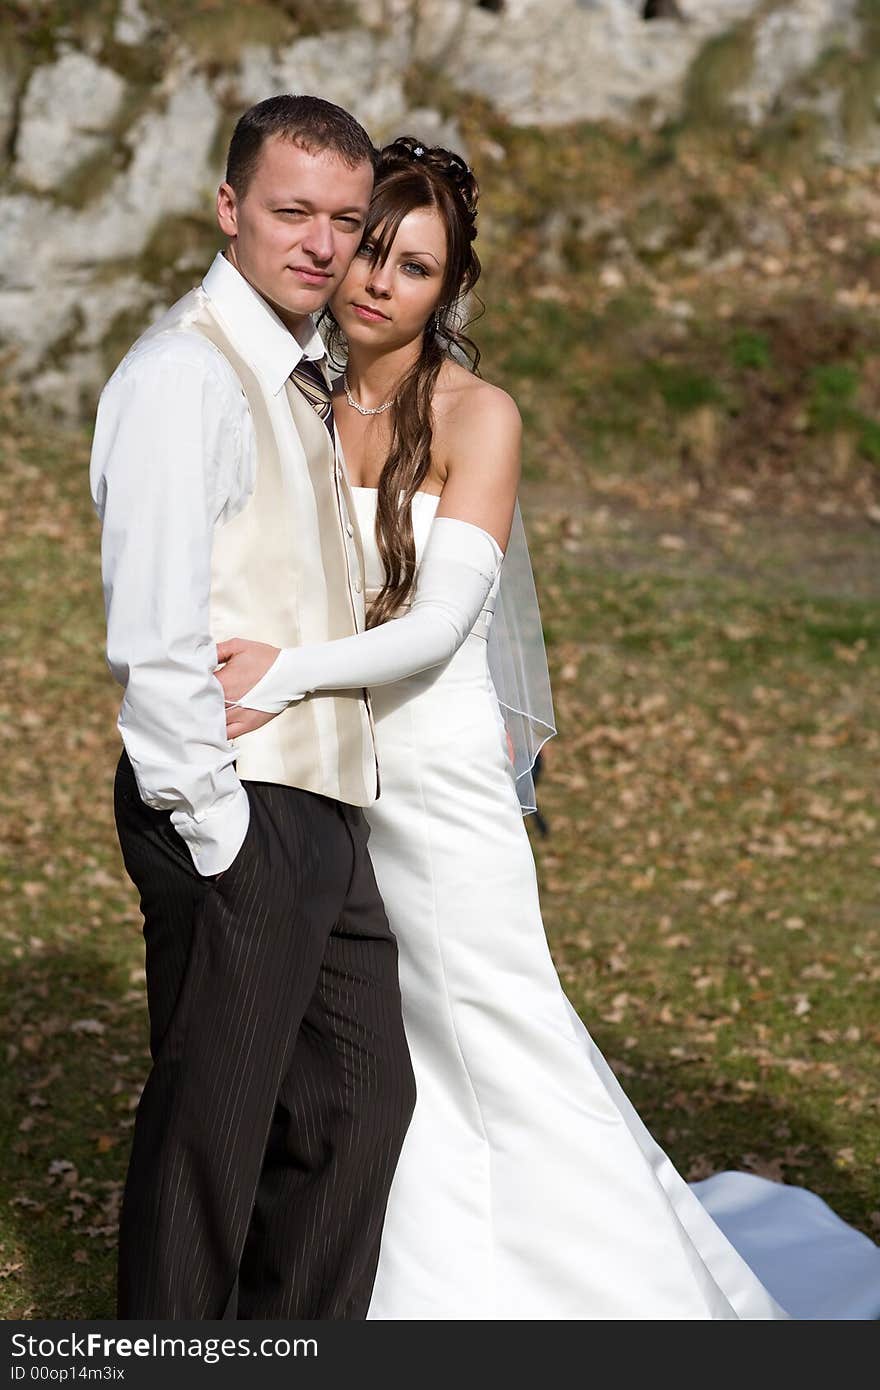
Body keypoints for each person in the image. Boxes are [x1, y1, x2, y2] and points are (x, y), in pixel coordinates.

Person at [215, 139, 880, 1319]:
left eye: (414, 268)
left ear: (446, 291)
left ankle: (616, 1290)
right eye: (369, 250)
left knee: (495, 1025)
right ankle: (405, 1282)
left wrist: (287, 673)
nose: (377, 281)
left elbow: (435, 626)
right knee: (381, 1043)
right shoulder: (299, 398)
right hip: (332, 765)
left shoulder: (482, 415)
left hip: (437, 767)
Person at [88, 96, 416, 1321]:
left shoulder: (300, 377)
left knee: (357, 1105)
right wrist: (216, 831)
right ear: (229, 209)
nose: (324, 244)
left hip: (321, 807)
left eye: (346, 219)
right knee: (212, 1135)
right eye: (293, 212)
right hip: (237, 811)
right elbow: (154, 629)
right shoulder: (186, 373)